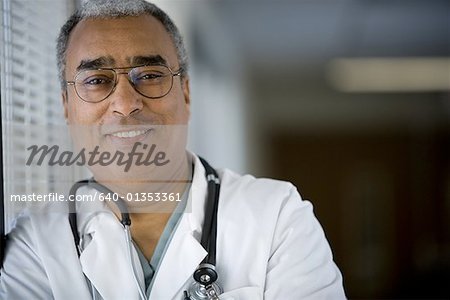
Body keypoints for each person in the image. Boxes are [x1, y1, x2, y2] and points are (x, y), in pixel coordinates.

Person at [0, 0, 346, 299]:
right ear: (66, 107)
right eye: (96, 80)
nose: (124, 103)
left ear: (186, 93)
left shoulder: (278, 218)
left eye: (149, 75)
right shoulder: (34, 244)